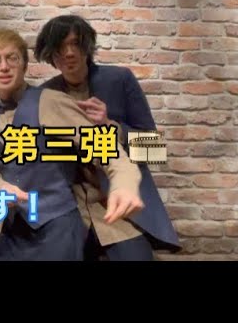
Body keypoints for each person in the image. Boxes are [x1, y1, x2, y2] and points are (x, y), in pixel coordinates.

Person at [0, 28, 144, 261]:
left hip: (58, 224)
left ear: (24, 65)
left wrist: (124, 183)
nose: (3, 67)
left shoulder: (51, 101)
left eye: (12, 58)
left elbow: (107, 148)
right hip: (15, 228)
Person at [34, 14, 181, 260]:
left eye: (76, 44)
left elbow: (154, 150)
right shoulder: (44, 95)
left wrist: (111, 126)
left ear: (87, 46)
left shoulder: (119, 80)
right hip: (69, 209)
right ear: (50, 55)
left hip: (118, 209)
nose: (69, 53)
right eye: (60, 47)